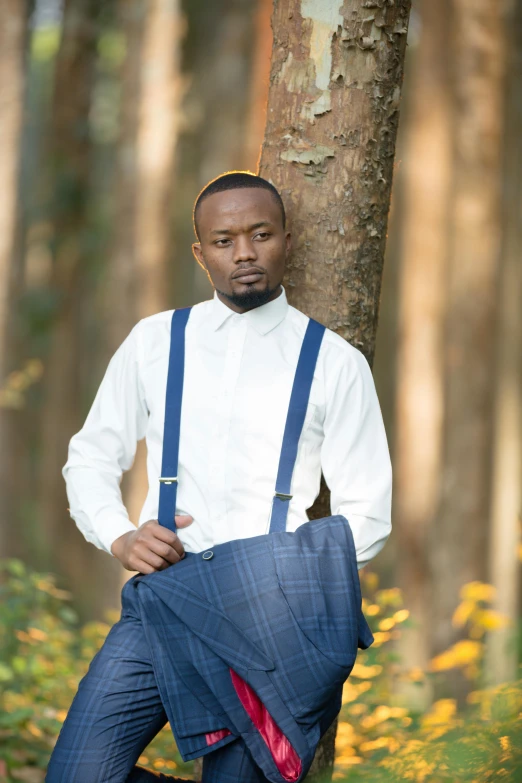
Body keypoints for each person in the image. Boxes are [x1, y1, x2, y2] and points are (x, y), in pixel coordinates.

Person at [46, 171, 392, 783]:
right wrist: (120, 537)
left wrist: (274, 576)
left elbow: (367, 516)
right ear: (200, 251)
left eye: (261, 234)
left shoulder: (336, 364)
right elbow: (92, 458)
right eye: (225, 239)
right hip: (163, 604)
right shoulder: (155, 342)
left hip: (272, 628)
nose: (246, 253)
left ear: (287, 239)